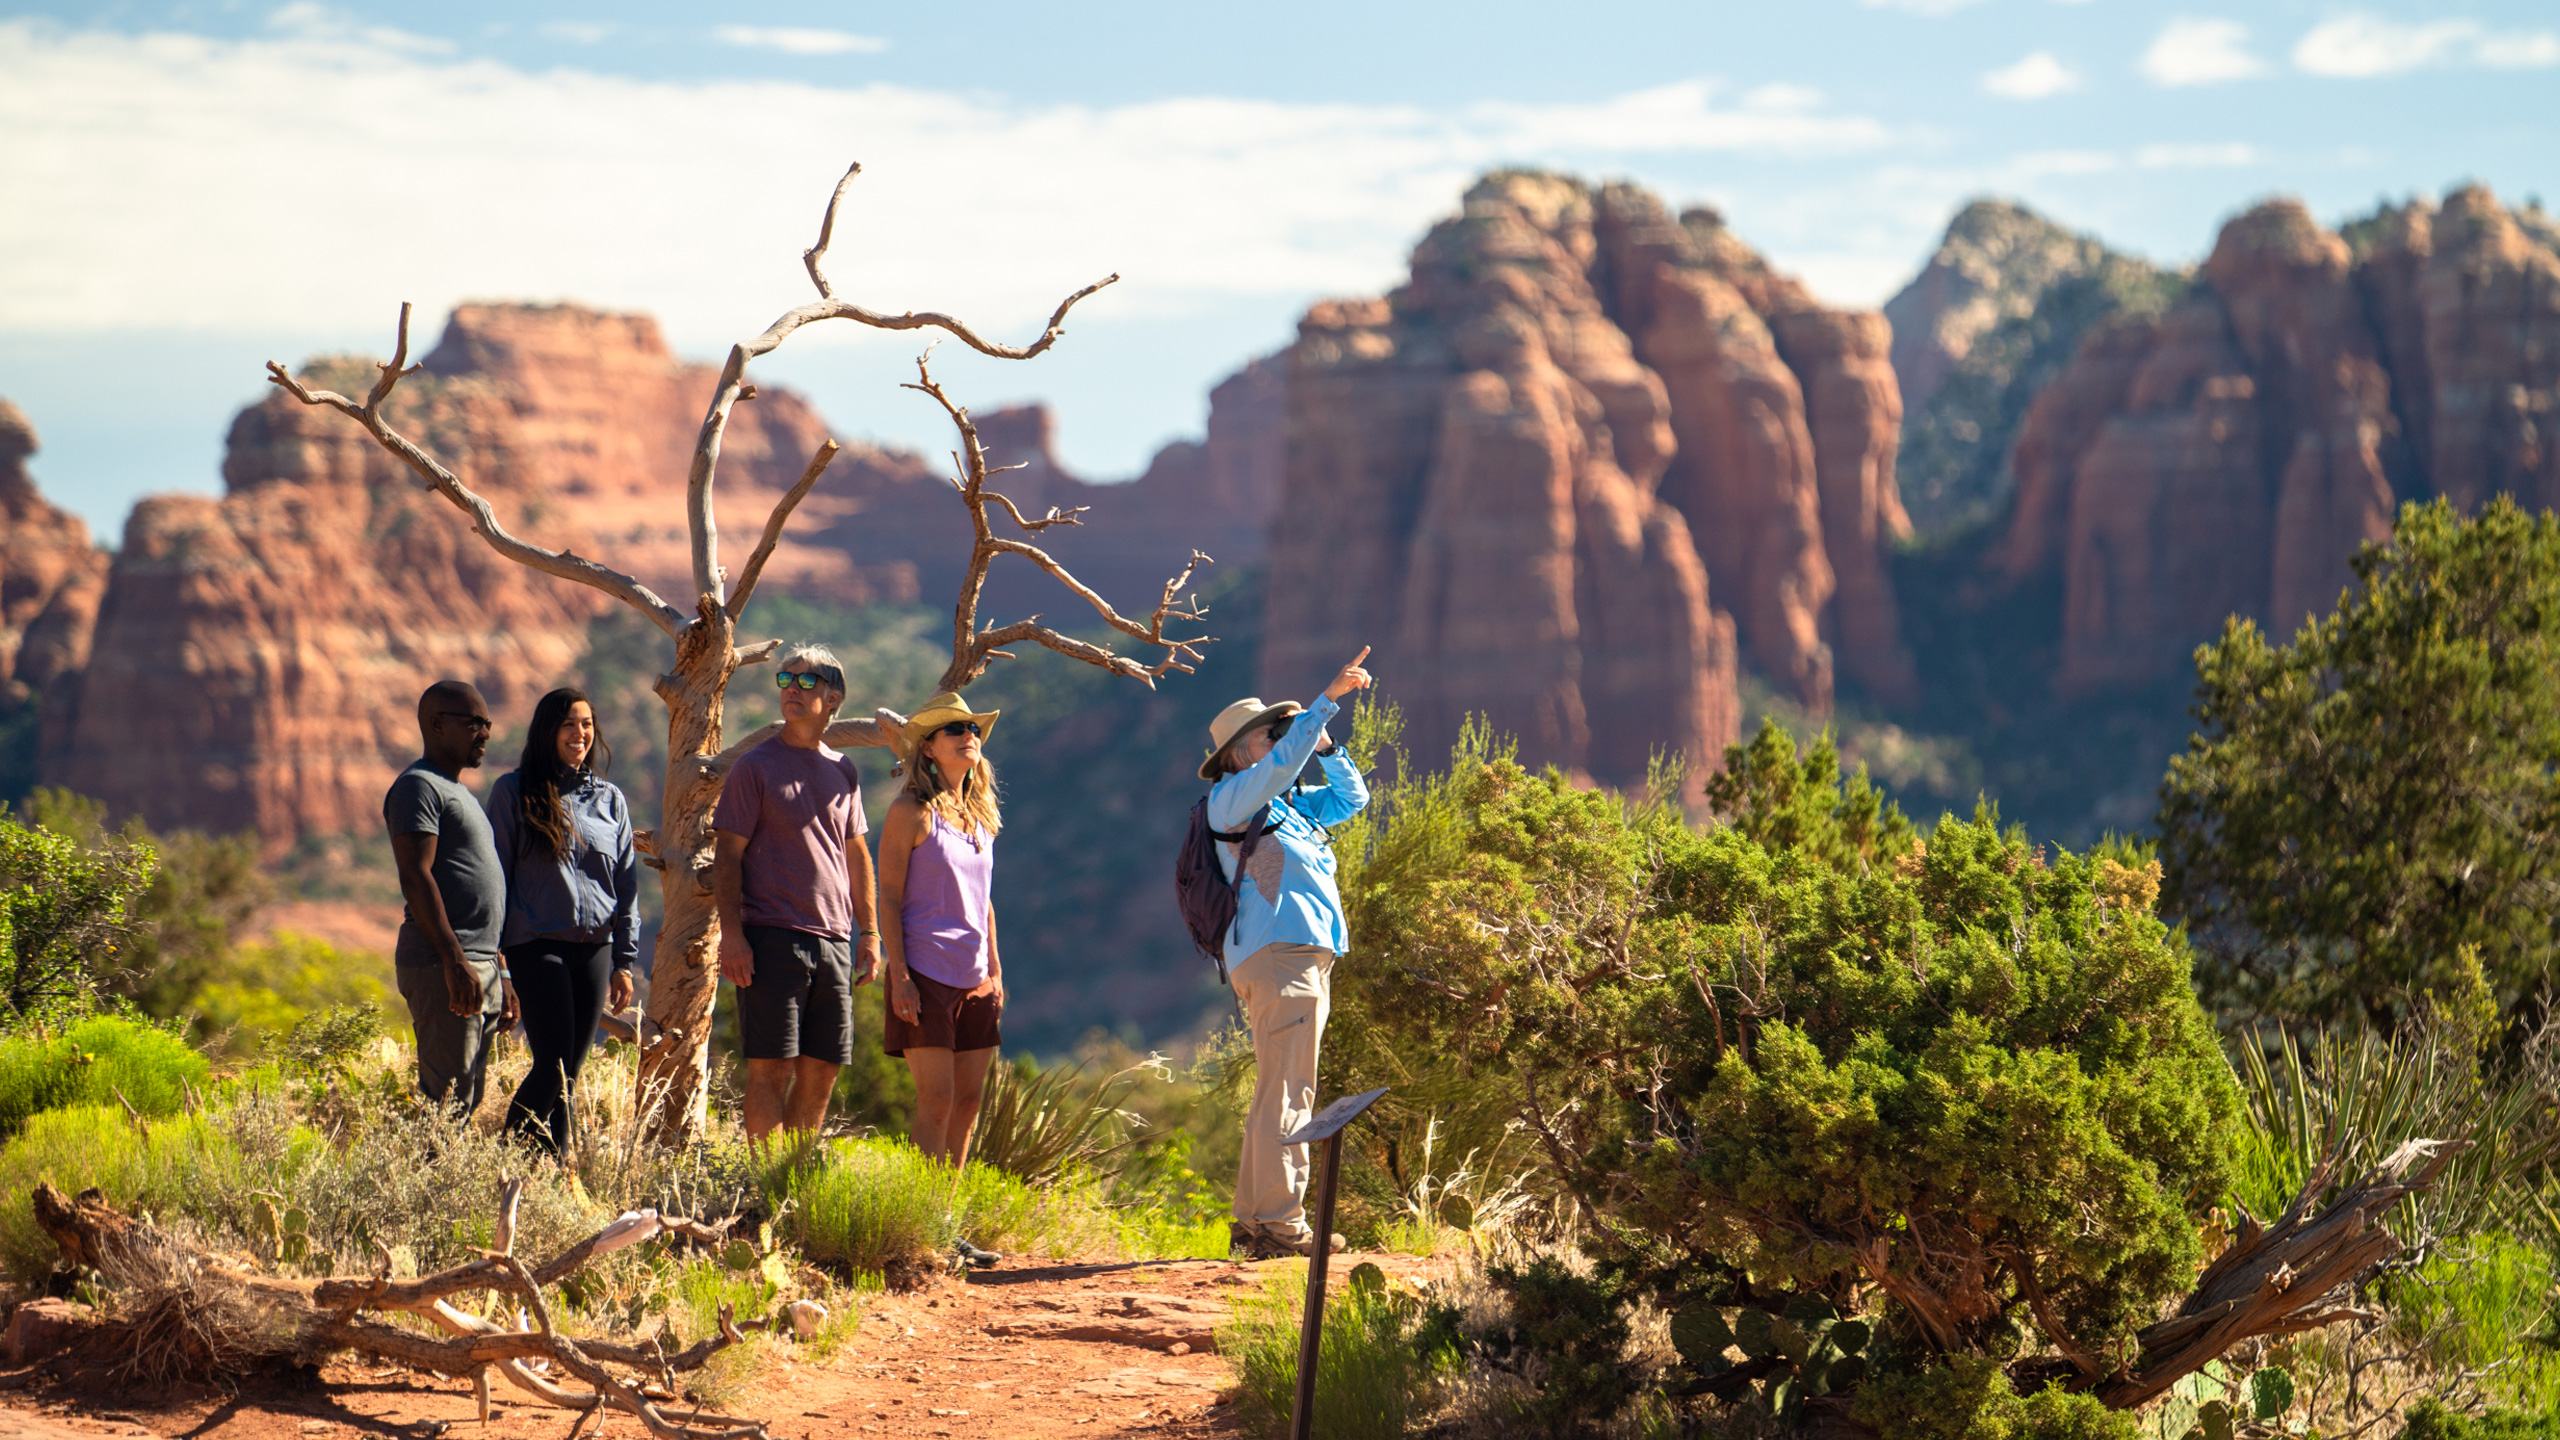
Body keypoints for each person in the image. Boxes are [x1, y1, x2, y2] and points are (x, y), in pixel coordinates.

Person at [1201, 647, 1373, 1259]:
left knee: (1279, 1084)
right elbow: (1277, 769)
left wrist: (1324, 744)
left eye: (1281, 732)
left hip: (1298, 953)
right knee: (1291, 1086)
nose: (1279, 742)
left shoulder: (1288, 807)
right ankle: (1279, 1222)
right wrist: (1325, 700)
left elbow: (1353, 801)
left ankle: (1255, 1220)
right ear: (1238, 752)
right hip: (1279, 954)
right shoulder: (1233, 800)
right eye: (1268, 734)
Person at [712, 645, 881, 1143]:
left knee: (822, 1073)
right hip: (771, 936)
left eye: (806, 682)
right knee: (771, 1071)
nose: (791, 688)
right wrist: (733, 936)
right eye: (786, 679)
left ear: (834, 698)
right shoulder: (755, 767)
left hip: (834, 940)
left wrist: (868, 934)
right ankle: (764, 1189)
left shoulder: (843, 770)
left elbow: (857, 857)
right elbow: (728, 855)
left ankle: (792, 1183)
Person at [487, 687, 639, 1158]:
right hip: (535, 944)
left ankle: (551, 1172)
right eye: (570, 724)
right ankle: (506, 1164)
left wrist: (624, 959)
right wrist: (501, 966)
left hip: (593, 948)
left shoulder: (610, 800)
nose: (580, 734)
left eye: (587, 724)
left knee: (570, 1073)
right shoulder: (513, 791)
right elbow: (497, 879)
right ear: (548, 730)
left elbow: (626, 883)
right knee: (551, 1067)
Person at [878, 691, 1006, 1165]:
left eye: (972, 729)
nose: (968, 736)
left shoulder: (980, 819)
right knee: (936, 1103)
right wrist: (901, 976)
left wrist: (994, 972)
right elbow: (888, 896)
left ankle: (947, 1227)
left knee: (968, 1106)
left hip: (976, 978)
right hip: (925, 974)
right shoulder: (909, 812)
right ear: (928, 748)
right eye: (955, 729)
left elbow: (983, 900)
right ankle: (921, 1227)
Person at [386, 679, 519, 1114]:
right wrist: (454, 960)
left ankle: (445, 1182)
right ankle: (426, 1183)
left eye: (488, 723)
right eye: (474, 723)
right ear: (438, 724)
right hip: (443, 963)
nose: (484, 733)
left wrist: (502, 975)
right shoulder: (418, 786)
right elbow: (416, 876)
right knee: (446, 1106)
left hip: (478, 964)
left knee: (467, 1100)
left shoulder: (458, 791)